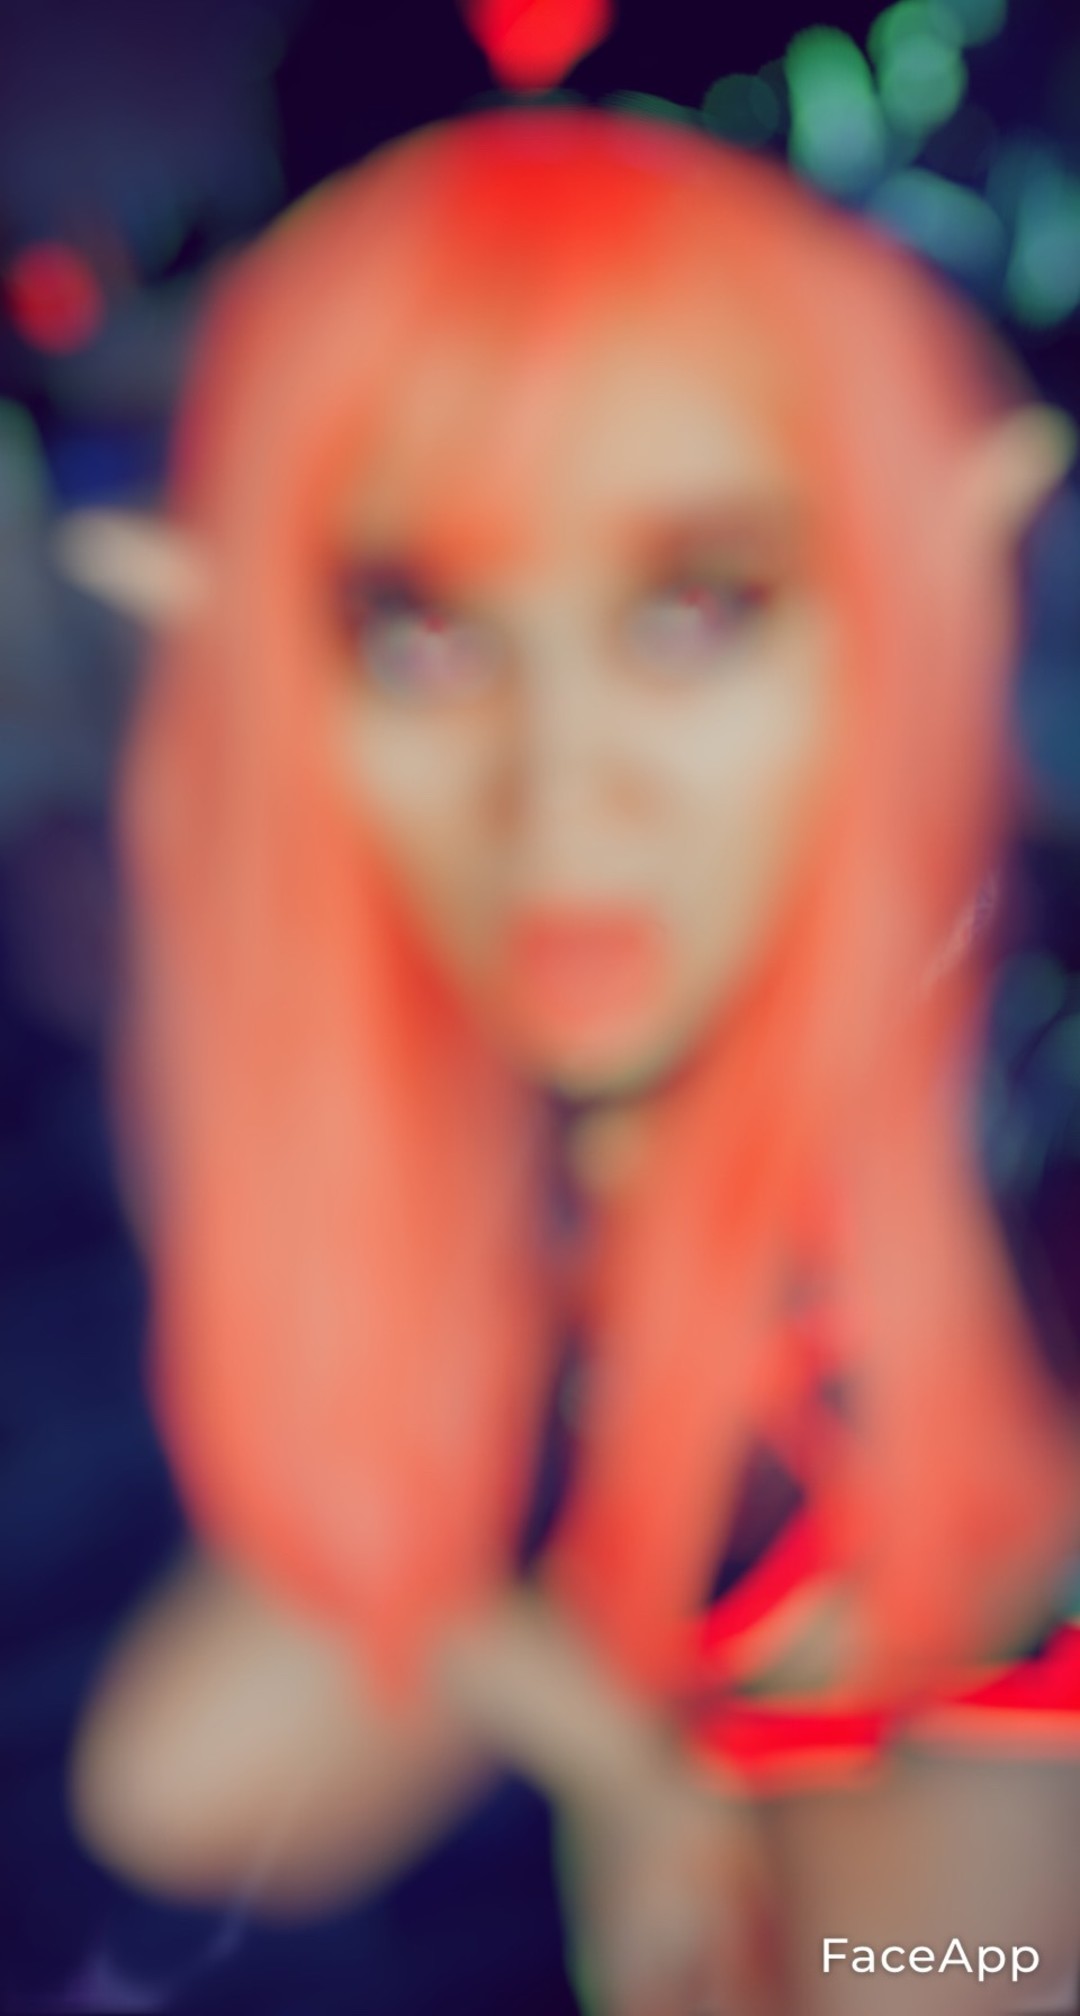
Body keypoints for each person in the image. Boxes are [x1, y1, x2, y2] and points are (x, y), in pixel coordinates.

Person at [61, 101, 1080, 2016]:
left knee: (916, 1976)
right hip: (637, 1591)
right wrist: (632, 1772)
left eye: (698, 611)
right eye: (421, 634)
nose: (560, 794)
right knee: (173, 1775)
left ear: (926, 576)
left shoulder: (1021, 1021)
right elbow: (389, 1495)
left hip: (958, 1637)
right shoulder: (402, 1027)